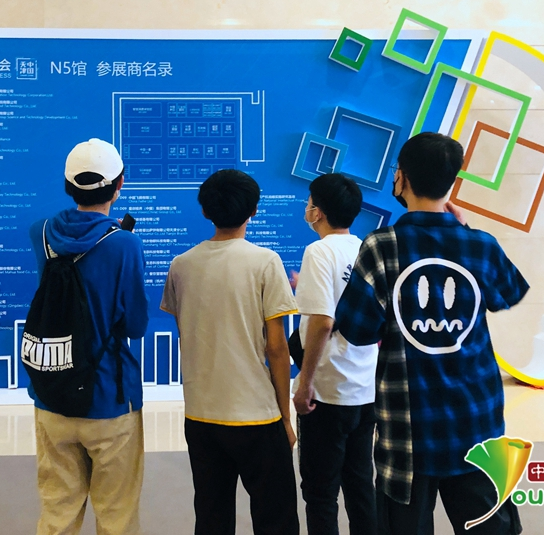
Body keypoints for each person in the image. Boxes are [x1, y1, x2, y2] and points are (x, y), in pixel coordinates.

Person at [333, 132, 529, 535]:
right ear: (452, 181)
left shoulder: (381, 246)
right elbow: (509, 292)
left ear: (402, 177)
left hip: (407, 430)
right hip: (476, 421)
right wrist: (465, 232)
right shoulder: (479, 245)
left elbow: (356, 330)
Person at [161, 169, 300, 535]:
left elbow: (187, 332)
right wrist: (285, 418)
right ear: (253, 210)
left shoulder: (181, 265)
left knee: (211, 517)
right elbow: (276, 347)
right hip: (256, 414)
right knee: (276, 519)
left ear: (205, 210)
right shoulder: (265, 262)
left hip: (202, 414)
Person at [28, 138, 149, 535]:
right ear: (119, 185)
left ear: (68, 185)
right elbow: (135, 326)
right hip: (109, 397)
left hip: (51, 393)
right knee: (116, 516)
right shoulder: (125, 244)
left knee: (57, 514)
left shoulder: (41, 233)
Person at [292, 173, 378, 535]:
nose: (307, 208)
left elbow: (323, 323)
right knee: (360, 485)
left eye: (310, 202)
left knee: (320, 491)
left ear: (319, 212)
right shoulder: (366, 248)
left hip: (327, 392)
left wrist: (305, 383)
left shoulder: (319, 251)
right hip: (365, 388)